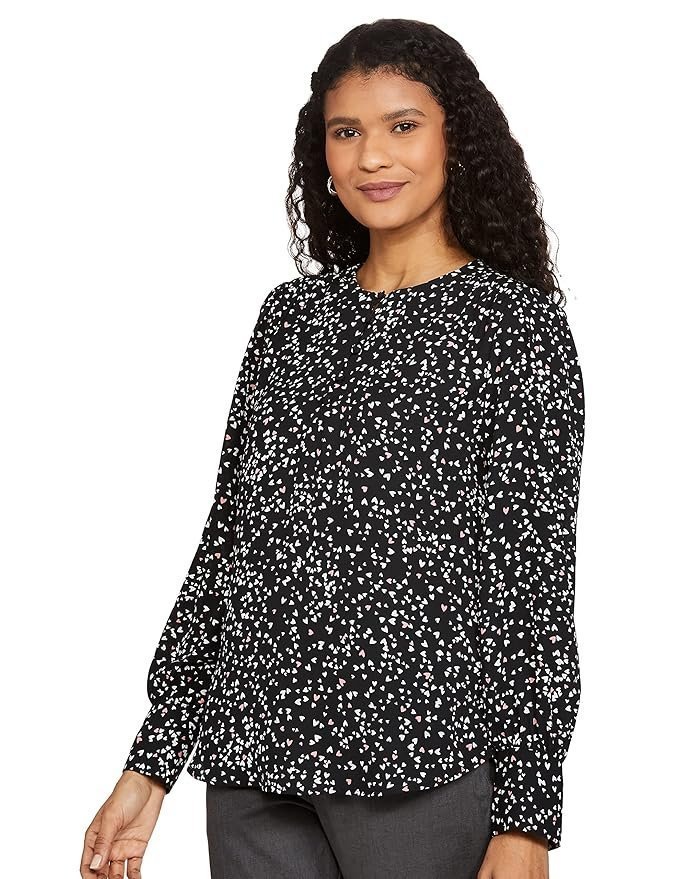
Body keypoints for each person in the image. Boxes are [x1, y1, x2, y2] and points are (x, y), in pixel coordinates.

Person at [81, 18, 585, 879]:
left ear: (456, 136)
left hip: (417, 762)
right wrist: (151, 762)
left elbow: (532, 581)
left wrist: (528, 816)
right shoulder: (290, 320)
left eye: (402, 125)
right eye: (346, 132)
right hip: (252, 761)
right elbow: (230, 546)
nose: (372, 156)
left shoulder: (514, 327)